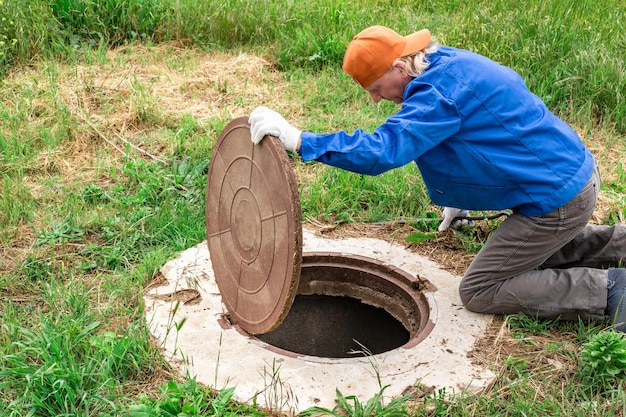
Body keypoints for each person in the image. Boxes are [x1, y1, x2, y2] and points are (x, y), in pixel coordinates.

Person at [248, 25, 626, 331]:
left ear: (399, 67)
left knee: (480, 288)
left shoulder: (437, 95)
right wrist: (461, 194)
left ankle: (610, 292)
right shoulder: (445, 62)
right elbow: (476, 132)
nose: (376, 100)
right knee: (531, 254)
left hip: (556, 202)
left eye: (376, 89)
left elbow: (384, 149)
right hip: (571, 176)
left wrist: (301, 140)